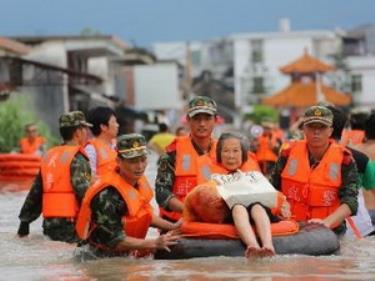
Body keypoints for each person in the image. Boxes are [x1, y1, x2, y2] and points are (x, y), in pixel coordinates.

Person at [184, 132, 288, 258]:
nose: (231, 156)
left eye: (235, 151)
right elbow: (197, 197)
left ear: (243, 154)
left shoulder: (252, 170)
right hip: (229, 211)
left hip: (257, 206)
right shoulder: (212, 174)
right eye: (226, 151)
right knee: (238, 208)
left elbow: (271, 193)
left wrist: (283, 205)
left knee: (258, 207)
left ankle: (268, 245)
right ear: (219, 154)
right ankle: (252, 245)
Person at [75, 134, 180, 258]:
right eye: (133, 161)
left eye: (143, 159)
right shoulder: (106, 195)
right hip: (98, 260)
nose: (140, 166)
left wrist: (173, 226)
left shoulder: (137, 182)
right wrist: (154, 243)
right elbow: (115, 241)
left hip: (125, 255)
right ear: (118, 161)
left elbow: (144, 215)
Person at [270, 105, 359, 234]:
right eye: (312, 126)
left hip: (330, 231)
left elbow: (351, 201)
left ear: (330, 131)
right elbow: (271, 188)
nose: (316, 132)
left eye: (322, 127)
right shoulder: (287, 154)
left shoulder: (345, 159)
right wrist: (280, 205)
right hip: (291, 226)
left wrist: (327, 222)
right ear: (304, 129)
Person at [17, 111, 92, 242]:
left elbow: (35, 192)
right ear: (78, 133)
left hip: (49, 225)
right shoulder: (78, 158)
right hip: (71, 225)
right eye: (85, 129)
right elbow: (85, 195)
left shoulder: (49, 156)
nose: (87, 133)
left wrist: (25, 222)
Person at [155, 95, 218, 222]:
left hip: (215, 220)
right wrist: (190, 211)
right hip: (179, 222)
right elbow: (162, 193)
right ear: (188, 120)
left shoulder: (225, 152)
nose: (202, 124)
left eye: (207, 118)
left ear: (215, 120)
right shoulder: (172, 154)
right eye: (197, 119)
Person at [327, 105, 375, 237]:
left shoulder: (296, 156)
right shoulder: (359, 158)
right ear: (343, 130)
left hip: (320, 228)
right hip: (360, 225)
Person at [85, 106, 119, 180]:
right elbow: (89, 177)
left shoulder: (119, 145)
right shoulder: (91, 149)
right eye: (114, 122)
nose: (117, 125)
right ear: (103, 127)